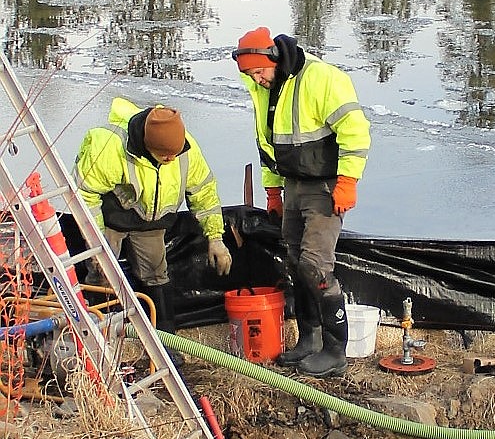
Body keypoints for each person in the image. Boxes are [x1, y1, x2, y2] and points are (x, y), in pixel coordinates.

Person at [232, 28, 370, 377]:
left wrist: (348, 181)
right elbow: (268, 144)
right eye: (249, 75)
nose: (256, 79)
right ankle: (309, 339)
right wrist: (273, 191)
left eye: (258, 72)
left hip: (325, 185)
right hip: (293, 183)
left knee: (315, 267)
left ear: (273, 58)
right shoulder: (265, 89)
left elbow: (355, 130)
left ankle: (335, 352)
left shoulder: (322, 79)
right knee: (295, 262)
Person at [74, 99, 232, 331]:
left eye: (174, 155)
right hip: (109, 218)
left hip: (152, 222)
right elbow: (85, 196)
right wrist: (97, 244)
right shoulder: (108, 146)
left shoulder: (186, 151)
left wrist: (216, 238)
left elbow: (204, 193)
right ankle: (103, 335)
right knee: (101, 272)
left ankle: (166, 340)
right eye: (164, 155)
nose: (171, 160)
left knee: (157, 275)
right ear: (147, 146)